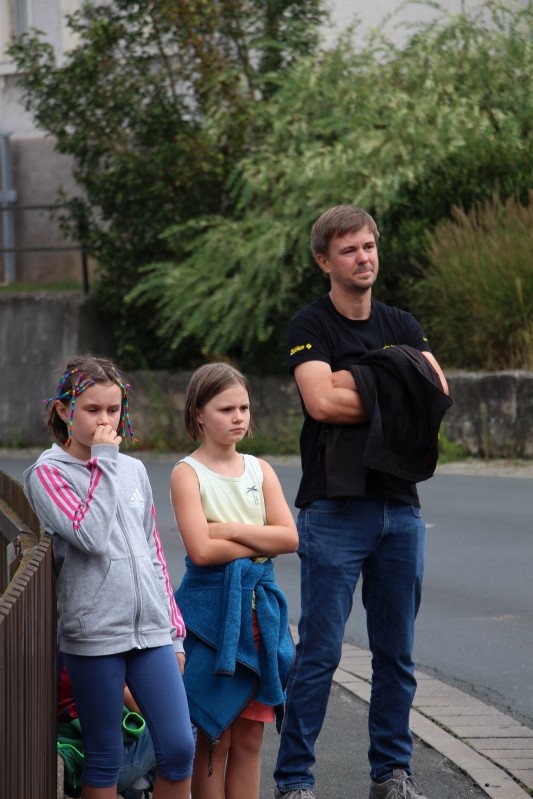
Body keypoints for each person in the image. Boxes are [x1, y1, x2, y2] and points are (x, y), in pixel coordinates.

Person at [273, 206, 451, 799]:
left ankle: (392, 774)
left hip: (401, 506)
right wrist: (396, 385)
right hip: (334, 508)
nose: (363, 258)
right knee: (320, 652)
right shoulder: (311, 323)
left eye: (369, 246)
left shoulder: (401, 321)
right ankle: (295, 780)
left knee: (396, 653)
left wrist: (359, 379)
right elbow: (321, 404)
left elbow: (437, 393)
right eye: (349, 250)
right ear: (324, 261)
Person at [23, 354, 195, 799]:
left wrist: (174, 632)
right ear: (64, 410)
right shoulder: (46, 474)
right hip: (94, 634)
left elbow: (153, 553)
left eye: (113, 409)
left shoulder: (133, 470)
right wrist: (103, 460)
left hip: (151, 632)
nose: (105, 420)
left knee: (179, 747)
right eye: (92, 409)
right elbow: (92, 535)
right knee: (105, 755)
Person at [170, 362, 299, 799]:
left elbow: (290, 538)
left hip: (261, 622)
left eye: (243, 407)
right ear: (199, 413)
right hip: (210, 618)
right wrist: (260, 542)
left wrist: (228, 530)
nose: (238, 417)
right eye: (226, 409)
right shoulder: (187, 473)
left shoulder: (260, 470)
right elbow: (202, 552)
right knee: (214, 738)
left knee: (250, 740)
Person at [57, 653, 156, 798]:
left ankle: (141, 782)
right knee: (172, 728)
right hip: (91, 762)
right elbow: (142, 706)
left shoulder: (65, 653)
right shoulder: (94, 654)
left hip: (81, 748)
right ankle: (141, 782)